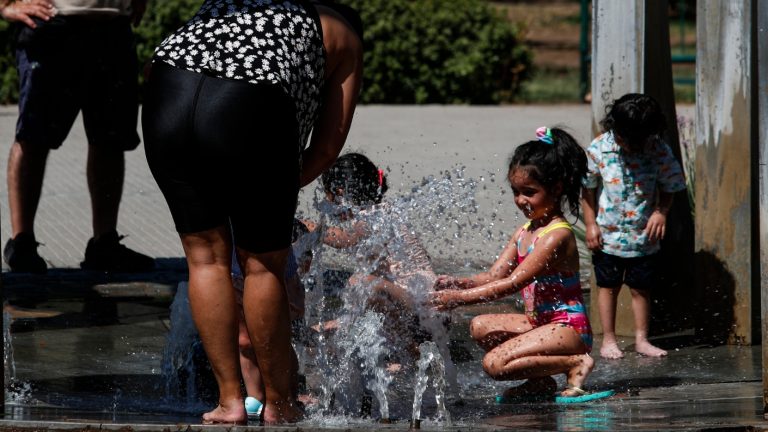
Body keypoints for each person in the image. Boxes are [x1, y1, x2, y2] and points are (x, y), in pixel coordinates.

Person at [141, 0, 363, 425]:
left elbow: (153, 71)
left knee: (205, 257)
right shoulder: (343, 32)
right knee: (262, 264)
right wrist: (272, 187)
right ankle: (280, 404)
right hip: (249, 101)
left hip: (167, 90)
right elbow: (326, 147)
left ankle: (229, 402)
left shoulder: (233, 3)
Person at [430, 127, 599, 402]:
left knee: (495, 364)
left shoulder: (556, 235)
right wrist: (458, 283)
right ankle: (539, 382)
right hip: (541, 324)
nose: (520, 201)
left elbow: (513, 283)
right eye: (515, 191)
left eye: (529, 192)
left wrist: (457, 299)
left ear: (556, 189)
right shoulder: (525, 230)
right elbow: (494, 274)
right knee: (479, 326)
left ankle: (575, 363)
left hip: (568, 329)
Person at [0, 0, 154, 274]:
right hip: (52, 25)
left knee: (110, 139)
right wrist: (5, 6)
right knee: (32, 138)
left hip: (113, 26)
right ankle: (21, 241)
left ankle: (104, 243)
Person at [582, 93, 686, 360]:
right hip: (608, 235)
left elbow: (671, 185)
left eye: (637, 142)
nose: (630, 147)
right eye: (625, 140)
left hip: (643, 236)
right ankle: (608, 339)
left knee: (641, 288)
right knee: (608, 286)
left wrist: (661, 212)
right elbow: (588, 189)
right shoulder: (599, 149)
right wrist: (591, 225)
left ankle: (642, 339)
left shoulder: (657, 149)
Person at [307, 153, 439, 357]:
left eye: (329, 197)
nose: (327, 205)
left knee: (361, 284)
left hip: (424, 309)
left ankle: (409, 352)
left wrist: (310, 228)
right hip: (417, 308)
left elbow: (345, 239)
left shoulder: (374, 215)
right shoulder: (385, 212)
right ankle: (401, 348)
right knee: (317, 335)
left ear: (340, 193)